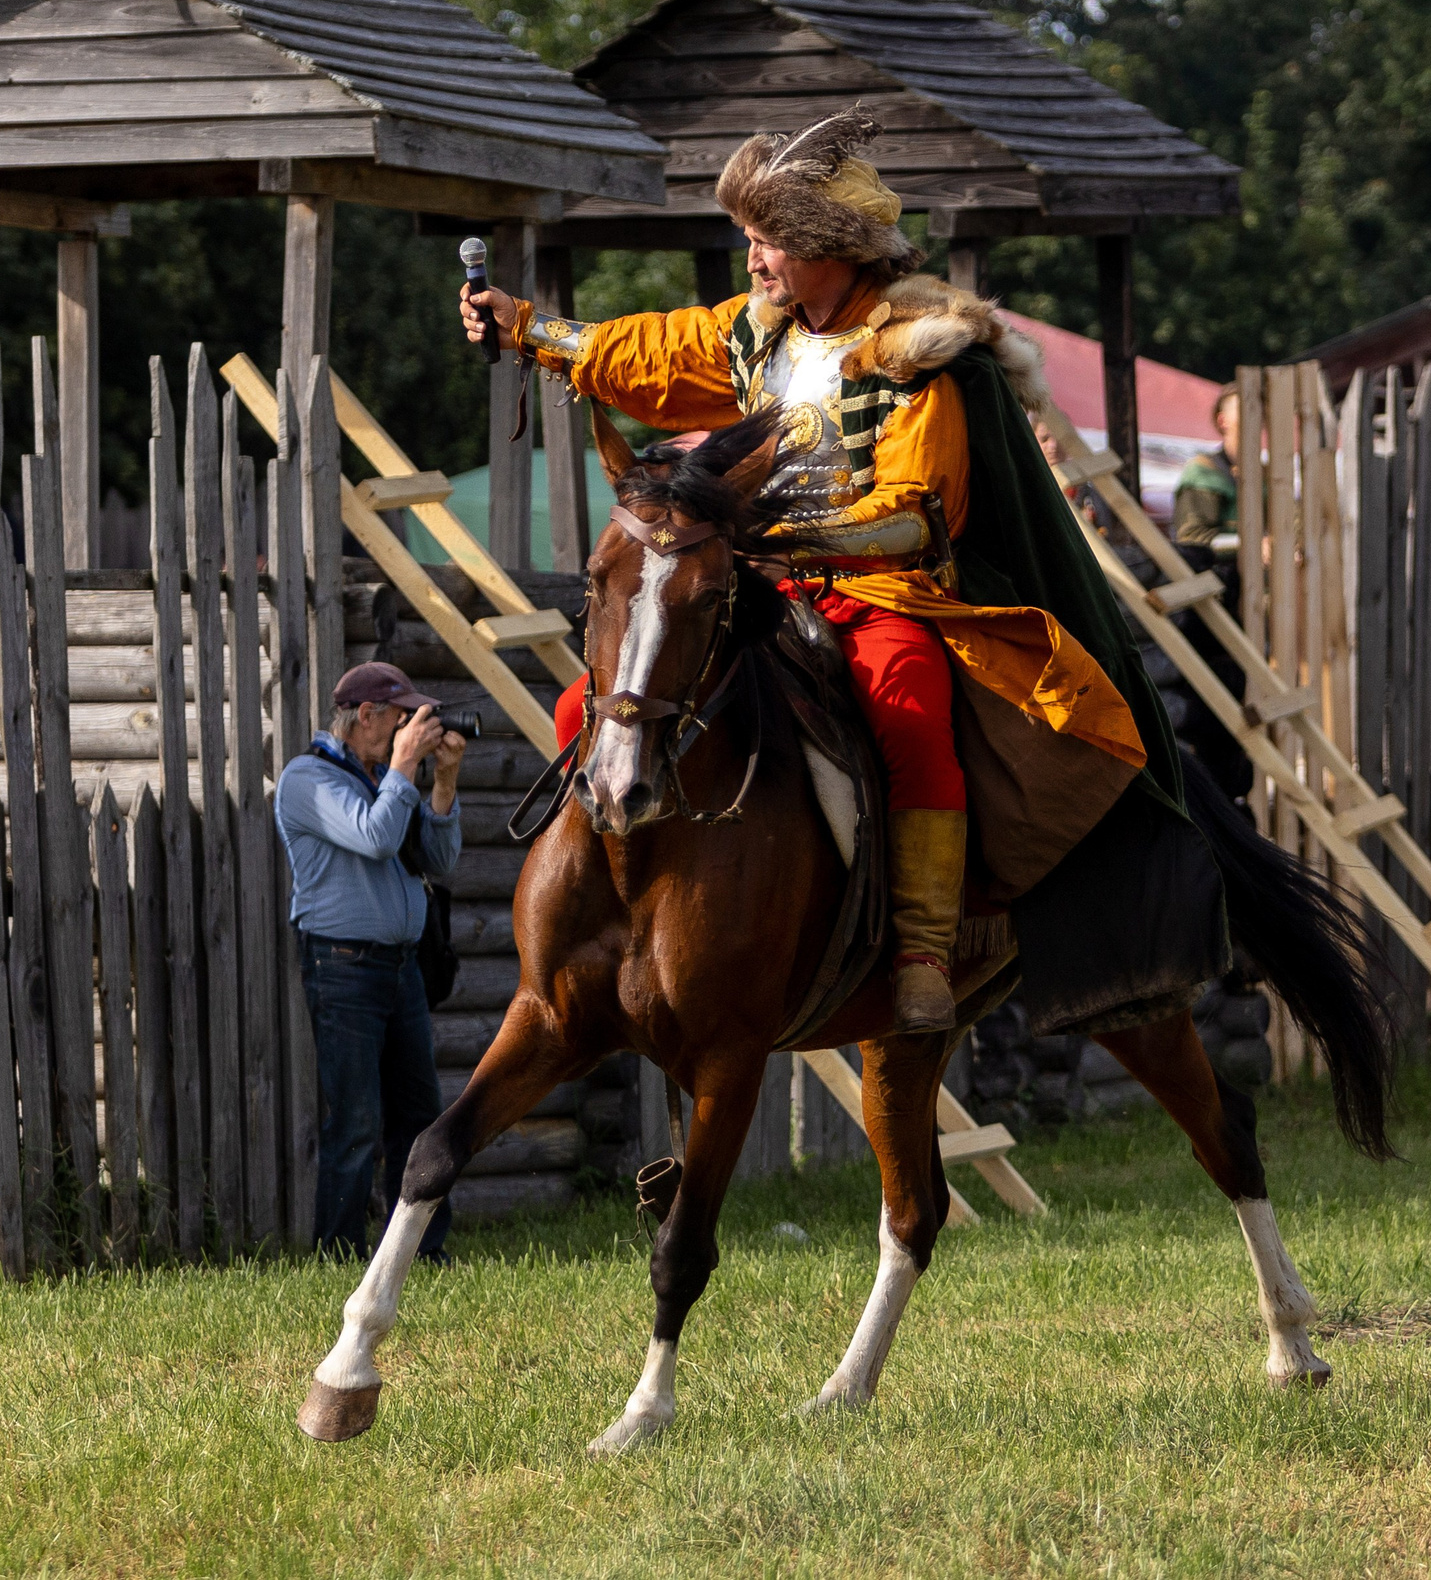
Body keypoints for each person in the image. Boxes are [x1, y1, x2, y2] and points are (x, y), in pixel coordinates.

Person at [468, 109, 1166, 1033]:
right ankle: (610, 914)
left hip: (882, 593)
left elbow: (917, 513)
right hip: (757, 586)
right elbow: (652, 352)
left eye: (766, 241)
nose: (752, 259)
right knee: (588, 705)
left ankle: (923, 952)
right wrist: (528, 328)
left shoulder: (921, 354)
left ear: (825, 244)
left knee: (910, 711)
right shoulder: (758, 332)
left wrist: (787, 534)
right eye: (751, 239)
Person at [275, 662, 466, 1261]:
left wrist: (444, 783)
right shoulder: (307, 779)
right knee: (356, 1119)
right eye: (403, 717)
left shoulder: (386, 777)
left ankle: (419, 1250)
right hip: (343, 967)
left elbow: (439, 861)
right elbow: (376, 836)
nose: (412, 728)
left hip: (401, 967)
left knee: (418, 1114)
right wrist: (406, 769)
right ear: (366, 715)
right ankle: (337, 1252)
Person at [1173, 385, 1242, 553]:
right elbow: (1192, 538)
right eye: (1246, 409)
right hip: (1223, 567)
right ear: (1222, 421)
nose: (1255, 417)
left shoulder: (1270, 475)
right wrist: (1252, 545)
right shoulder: (1202, 472)